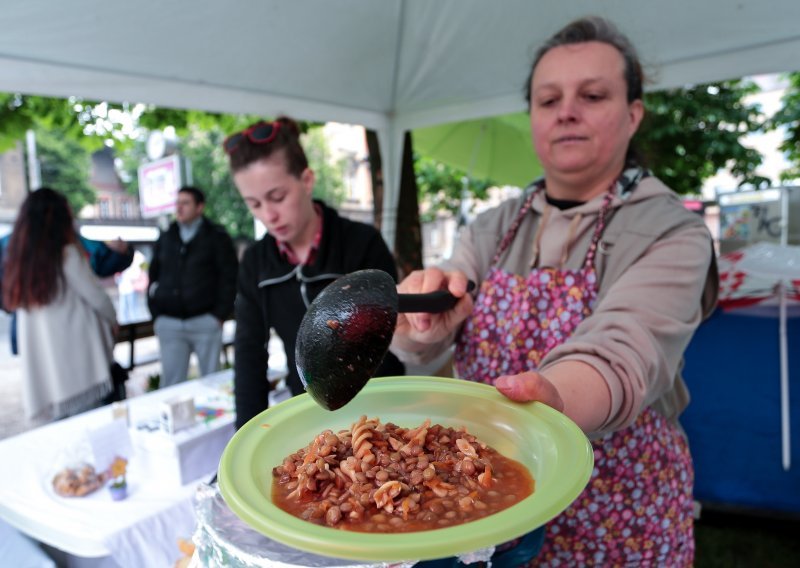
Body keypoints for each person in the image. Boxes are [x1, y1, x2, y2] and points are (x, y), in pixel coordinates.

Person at [390, 16, 718, 567]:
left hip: (619, 510)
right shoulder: (492, 227)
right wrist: (418, 327)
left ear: (633, 114)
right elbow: (429, 341)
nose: (567, 111)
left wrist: (553, 398)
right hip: (489, 498)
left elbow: (623, 351)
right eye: (548, 100)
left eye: (592, 95)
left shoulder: (672, 232)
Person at [225, 116, 405, 429]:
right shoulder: (255, 261)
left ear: (306, 180)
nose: (269, 215)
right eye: (253, 204)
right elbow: (249, 356)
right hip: (311, 412)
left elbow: (393, 335)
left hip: (382, 405)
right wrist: (243, 440)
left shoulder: (361, 243)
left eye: (277, 197)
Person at [2, 188, 119, 421]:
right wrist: (114, 322)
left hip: (47, 369)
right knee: (90, 425)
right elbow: (98, 298)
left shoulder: (20, 262)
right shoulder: (66, 254)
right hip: (80, 366)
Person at [147, 186, 238, 387]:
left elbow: (229, 277)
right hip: (169, 322)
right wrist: (157, 314)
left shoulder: (216, 237)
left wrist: (219, 315)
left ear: (199, 207)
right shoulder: (167, 236)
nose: (179, 208)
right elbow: (153, 276)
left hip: (205, 320)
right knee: (171, 385)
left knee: (212, 383)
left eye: (185, 203)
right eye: (177, 203)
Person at [1, 232, 133, 355]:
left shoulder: (73, 249)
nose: (118, 239)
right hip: (58, 334)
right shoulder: (75, 247)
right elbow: (96, 296)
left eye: (121, 243)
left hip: (41, 332)